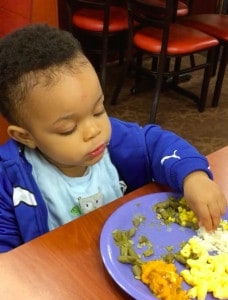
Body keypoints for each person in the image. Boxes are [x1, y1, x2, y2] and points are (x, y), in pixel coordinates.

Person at [0, 24, 226, 253]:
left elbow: (157, 143)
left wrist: (193, 176)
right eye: (68, 129)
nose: (94, 131)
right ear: (25, 136)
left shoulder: (116, 140)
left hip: (130, 252)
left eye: (98, 110)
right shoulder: (8, 183)